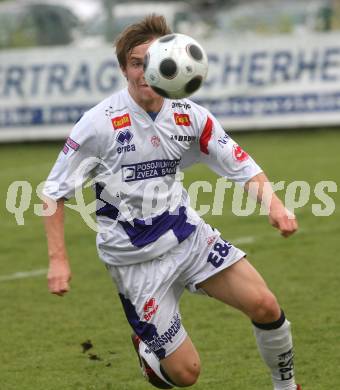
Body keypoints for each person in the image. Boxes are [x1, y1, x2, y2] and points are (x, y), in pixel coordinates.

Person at [43, 14, 301, 390]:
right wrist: (58, 260)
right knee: (186, 375)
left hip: (188, 237)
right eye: (136, 63)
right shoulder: (98, 124)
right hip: (135, 263)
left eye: (153, 60)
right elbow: (53, 192)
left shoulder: (190, 115)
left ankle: (287, 385)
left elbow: (239, 162)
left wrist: (274, 206)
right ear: (123, 69)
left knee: (265, 304)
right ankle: (148, 352)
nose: (145, 71)